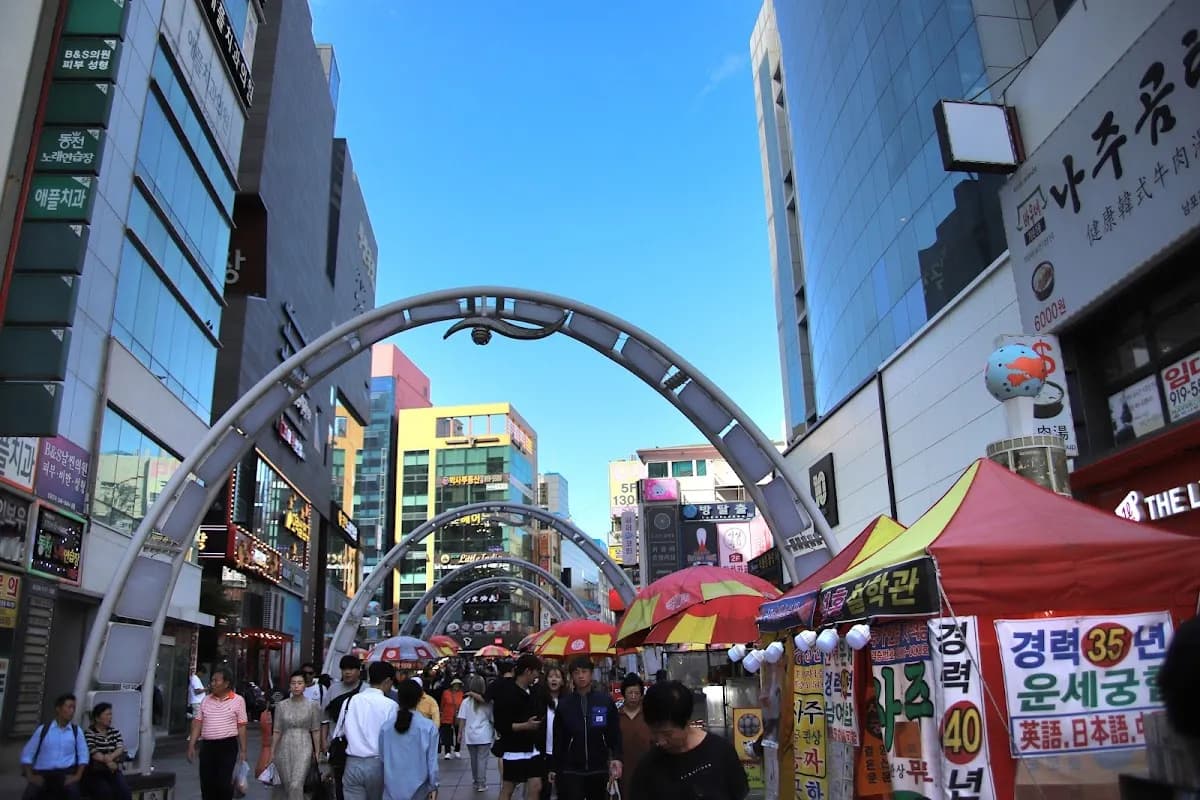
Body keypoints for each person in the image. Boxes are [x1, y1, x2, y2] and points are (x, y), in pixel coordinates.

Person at [631, 681, 748, 800]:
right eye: (654, 733)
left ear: (687, 722)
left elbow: (738, 793)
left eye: (667, 734)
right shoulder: (647, 767)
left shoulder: (721, 752)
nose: (660, 741)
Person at [550, 657, 622, 800]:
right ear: (572, 676)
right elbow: (558, 739)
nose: (581, 676)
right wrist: (554, 767)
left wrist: (617, 757)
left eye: (584, 672)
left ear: (591, 674)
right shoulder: (564, 705)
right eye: (576, 673)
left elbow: (614, 733)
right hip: (571, 769)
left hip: (599, 767)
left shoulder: (604, 701)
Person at [331, 661, 397, 800]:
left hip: (352, 764)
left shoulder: (350, 701)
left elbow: (338, 733)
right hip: (378, 764)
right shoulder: (391, 706)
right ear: (387, 681)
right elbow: (393, 740)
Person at [187, 667, 249, 800]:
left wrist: (243, 750)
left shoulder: (238, 700)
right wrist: (191, 745)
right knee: (207, 783)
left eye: (216, 681)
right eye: (212, 680)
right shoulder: (206, 700)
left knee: (223, 783)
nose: (212, 684)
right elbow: (197, 723)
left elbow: (241, 726)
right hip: (208, 746)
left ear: (226, 683)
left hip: (227, 745)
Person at [491, 654, 547, 800]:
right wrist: (525, 726)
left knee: (536, 785)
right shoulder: (506, 692)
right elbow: (501, 725)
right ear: (528, 671)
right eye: (536, 672)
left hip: (533, 748)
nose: (537, 676)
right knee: (509, 787)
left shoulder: (534, 691)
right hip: (513, 748)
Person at [21, 693, 89, 799]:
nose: (72, 711)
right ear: (58, 709)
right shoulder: (44, 729)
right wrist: (30, 776)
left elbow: (83, 755)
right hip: (43, 773)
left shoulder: (76, 731)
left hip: (66, 772)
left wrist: (77, 776)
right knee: (30, 794)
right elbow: (27, 753)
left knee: (74, 793)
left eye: (74, 708)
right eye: (69, 707)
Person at [380, 679, 440, 800]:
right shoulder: (428, 727)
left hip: (391, 791)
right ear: (419, 699)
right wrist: (434, 786)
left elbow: (382, 760)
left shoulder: (385, 728)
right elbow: (432, 762)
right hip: (419, 791)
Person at [270, 670, 322, 800]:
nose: (296, 686)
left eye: (299, 683)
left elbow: (315, 730)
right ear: (289, 685)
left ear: (305, 686)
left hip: (304, 744)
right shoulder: (281, 706)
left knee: (296, 784)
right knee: (288, 784)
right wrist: (272, 751)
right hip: (284, 746)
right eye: (293, 683)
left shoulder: (312, 706)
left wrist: (317, 751)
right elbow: (277, 730)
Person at [324, 655, 367, 800]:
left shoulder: (366, 690)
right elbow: (325, 718)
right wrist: (324, 743)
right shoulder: (333, 690)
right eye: (344, 669)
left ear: (359, 671)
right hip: (338, 745)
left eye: (351, 669)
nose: (347, 672)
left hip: (360, 746)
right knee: (339, 782)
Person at [82, 702, 131, 800]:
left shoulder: (114, 731)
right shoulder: (89, 733)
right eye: (107, 714)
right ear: (97, 718)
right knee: (105, 792)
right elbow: (93, 752)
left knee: (125, 791)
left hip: (113, 769)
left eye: (111, 714)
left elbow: (120, 748)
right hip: (95, 772)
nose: (110, 717)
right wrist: (108, 761)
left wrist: (110, 758)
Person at [457, 675, 495, 793]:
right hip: (484, 734)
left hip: (470, 735)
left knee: (474, 760)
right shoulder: (487, 703)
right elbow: (492, 718)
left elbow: (462, 719)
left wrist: (459, 733)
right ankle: (481, 783)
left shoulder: (465, 702)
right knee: (482, 759)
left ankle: (475, 781)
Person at [617, 675, 651, 800]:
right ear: (623, 694)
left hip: (646, 768)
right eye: (630, 693)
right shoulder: (616, 716)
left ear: (641, 694)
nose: (633, 696)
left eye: (636, 693)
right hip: (623, 769)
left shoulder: (649, 715)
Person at [539, 666, 565, 800]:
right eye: (551, 676)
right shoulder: (539, 701)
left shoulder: (567, 702)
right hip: (544, 754)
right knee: (544, 792)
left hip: (562, 754)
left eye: (557, 677)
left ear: (563, 681)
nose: (554, 680)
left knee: (563, 791)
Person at [439, 677, 464, 759]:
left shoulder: (461, 693)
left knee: (458, 733)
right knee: (447, 734)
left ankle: (457, 750)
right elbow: (442, 704)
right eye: (455, 685)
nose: (456, 686)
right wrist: (441, 713)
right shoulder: (446, 693)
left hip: (458, 717)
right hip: (447, 716)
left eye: (458, 685)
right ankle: (447, 751)